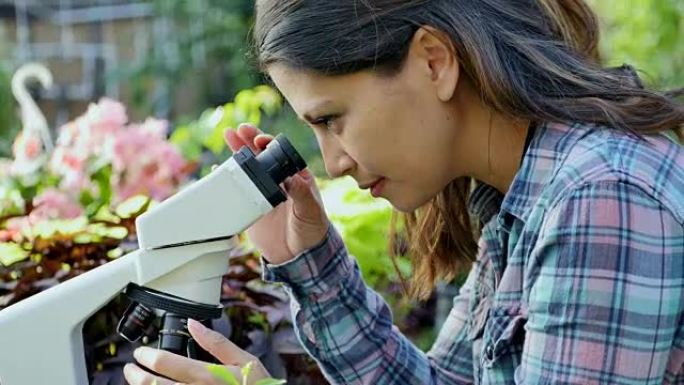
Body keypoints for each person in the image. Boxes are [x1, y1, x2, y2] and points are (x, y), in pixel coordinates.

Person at [123, 1, 684, 384]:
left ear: (434, 61)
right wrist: (308, 259)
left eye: (332, 118)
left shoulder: (600, 195)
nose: (334, 163)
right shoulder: (524, 199)